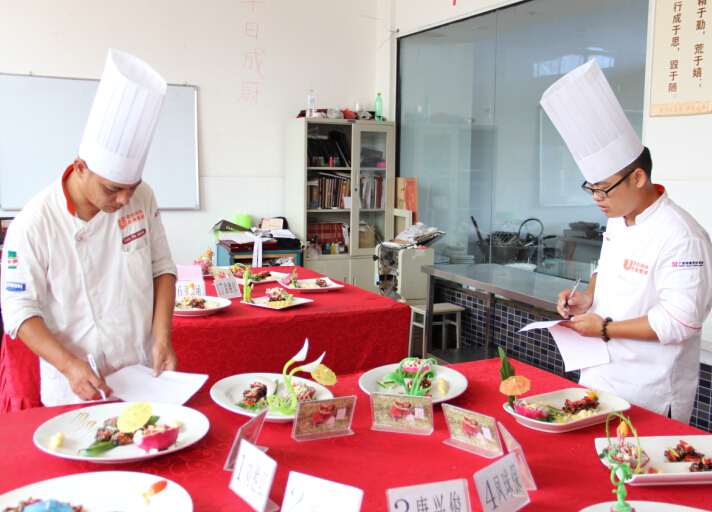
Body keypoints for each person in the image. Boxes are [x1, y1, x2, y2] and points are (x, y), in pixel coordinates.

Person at [1, 49, 178, 406]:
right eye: (113, 189)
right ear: (80, 168)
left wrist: (162, 339)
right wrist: (68, 366)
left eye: (132, 187)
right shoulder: (35, 222)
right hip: (75, 384)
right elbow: (19, 311)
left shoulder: (142, 196)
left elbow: (162, 269)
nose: (125, 199)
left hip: (141, 373)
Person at [541, 59, 712, 423]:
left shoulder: (683, 236)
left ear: (638, 177)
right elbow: (608, 268)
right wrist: (588, 297)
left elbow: (680, 322)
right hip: (599, 376)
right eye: (591, 188)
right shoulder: (618, 218)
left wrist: (604, 328)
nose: (596, 198)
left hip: (648, 389)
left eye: (604, 189)